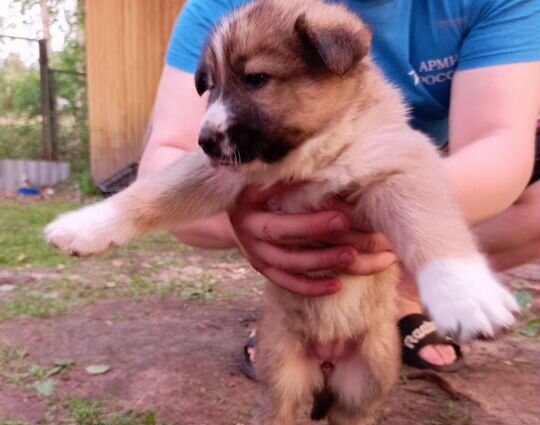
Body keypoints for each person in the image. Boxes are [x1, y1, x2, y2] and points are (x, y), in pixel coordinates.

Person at [138, 0, 540, 375]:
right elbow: (168, 152)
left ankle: (395, 296)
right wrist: (256, 213)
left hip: (424, 161)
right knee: (204, 203)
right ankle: (300, 307)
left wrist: (388, 210)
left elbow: (497, 141)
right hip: (280, 177)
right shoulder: (228, 9)